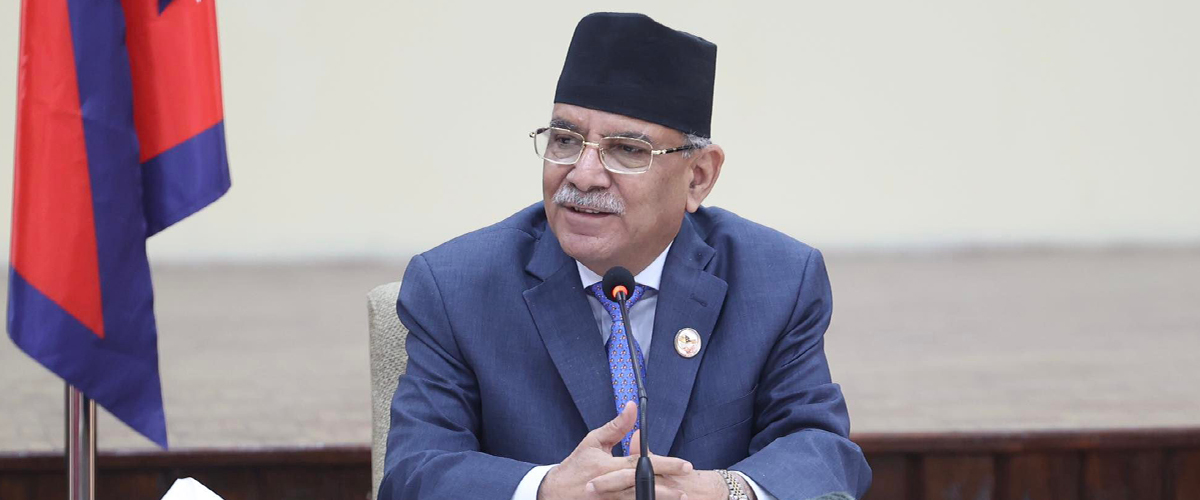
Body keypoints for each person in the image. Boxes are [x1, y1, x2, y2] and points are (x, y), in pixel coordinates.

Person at [380, 12, 872, 500]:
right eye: (565, 141)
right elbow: (414, 472)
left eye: (627, 150)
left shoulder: (777, 280)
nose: (583, 175)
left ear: (698, 176)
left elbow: (821, 451)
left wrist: (724, 492)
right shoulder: (456, 287)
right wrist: (545, 491)